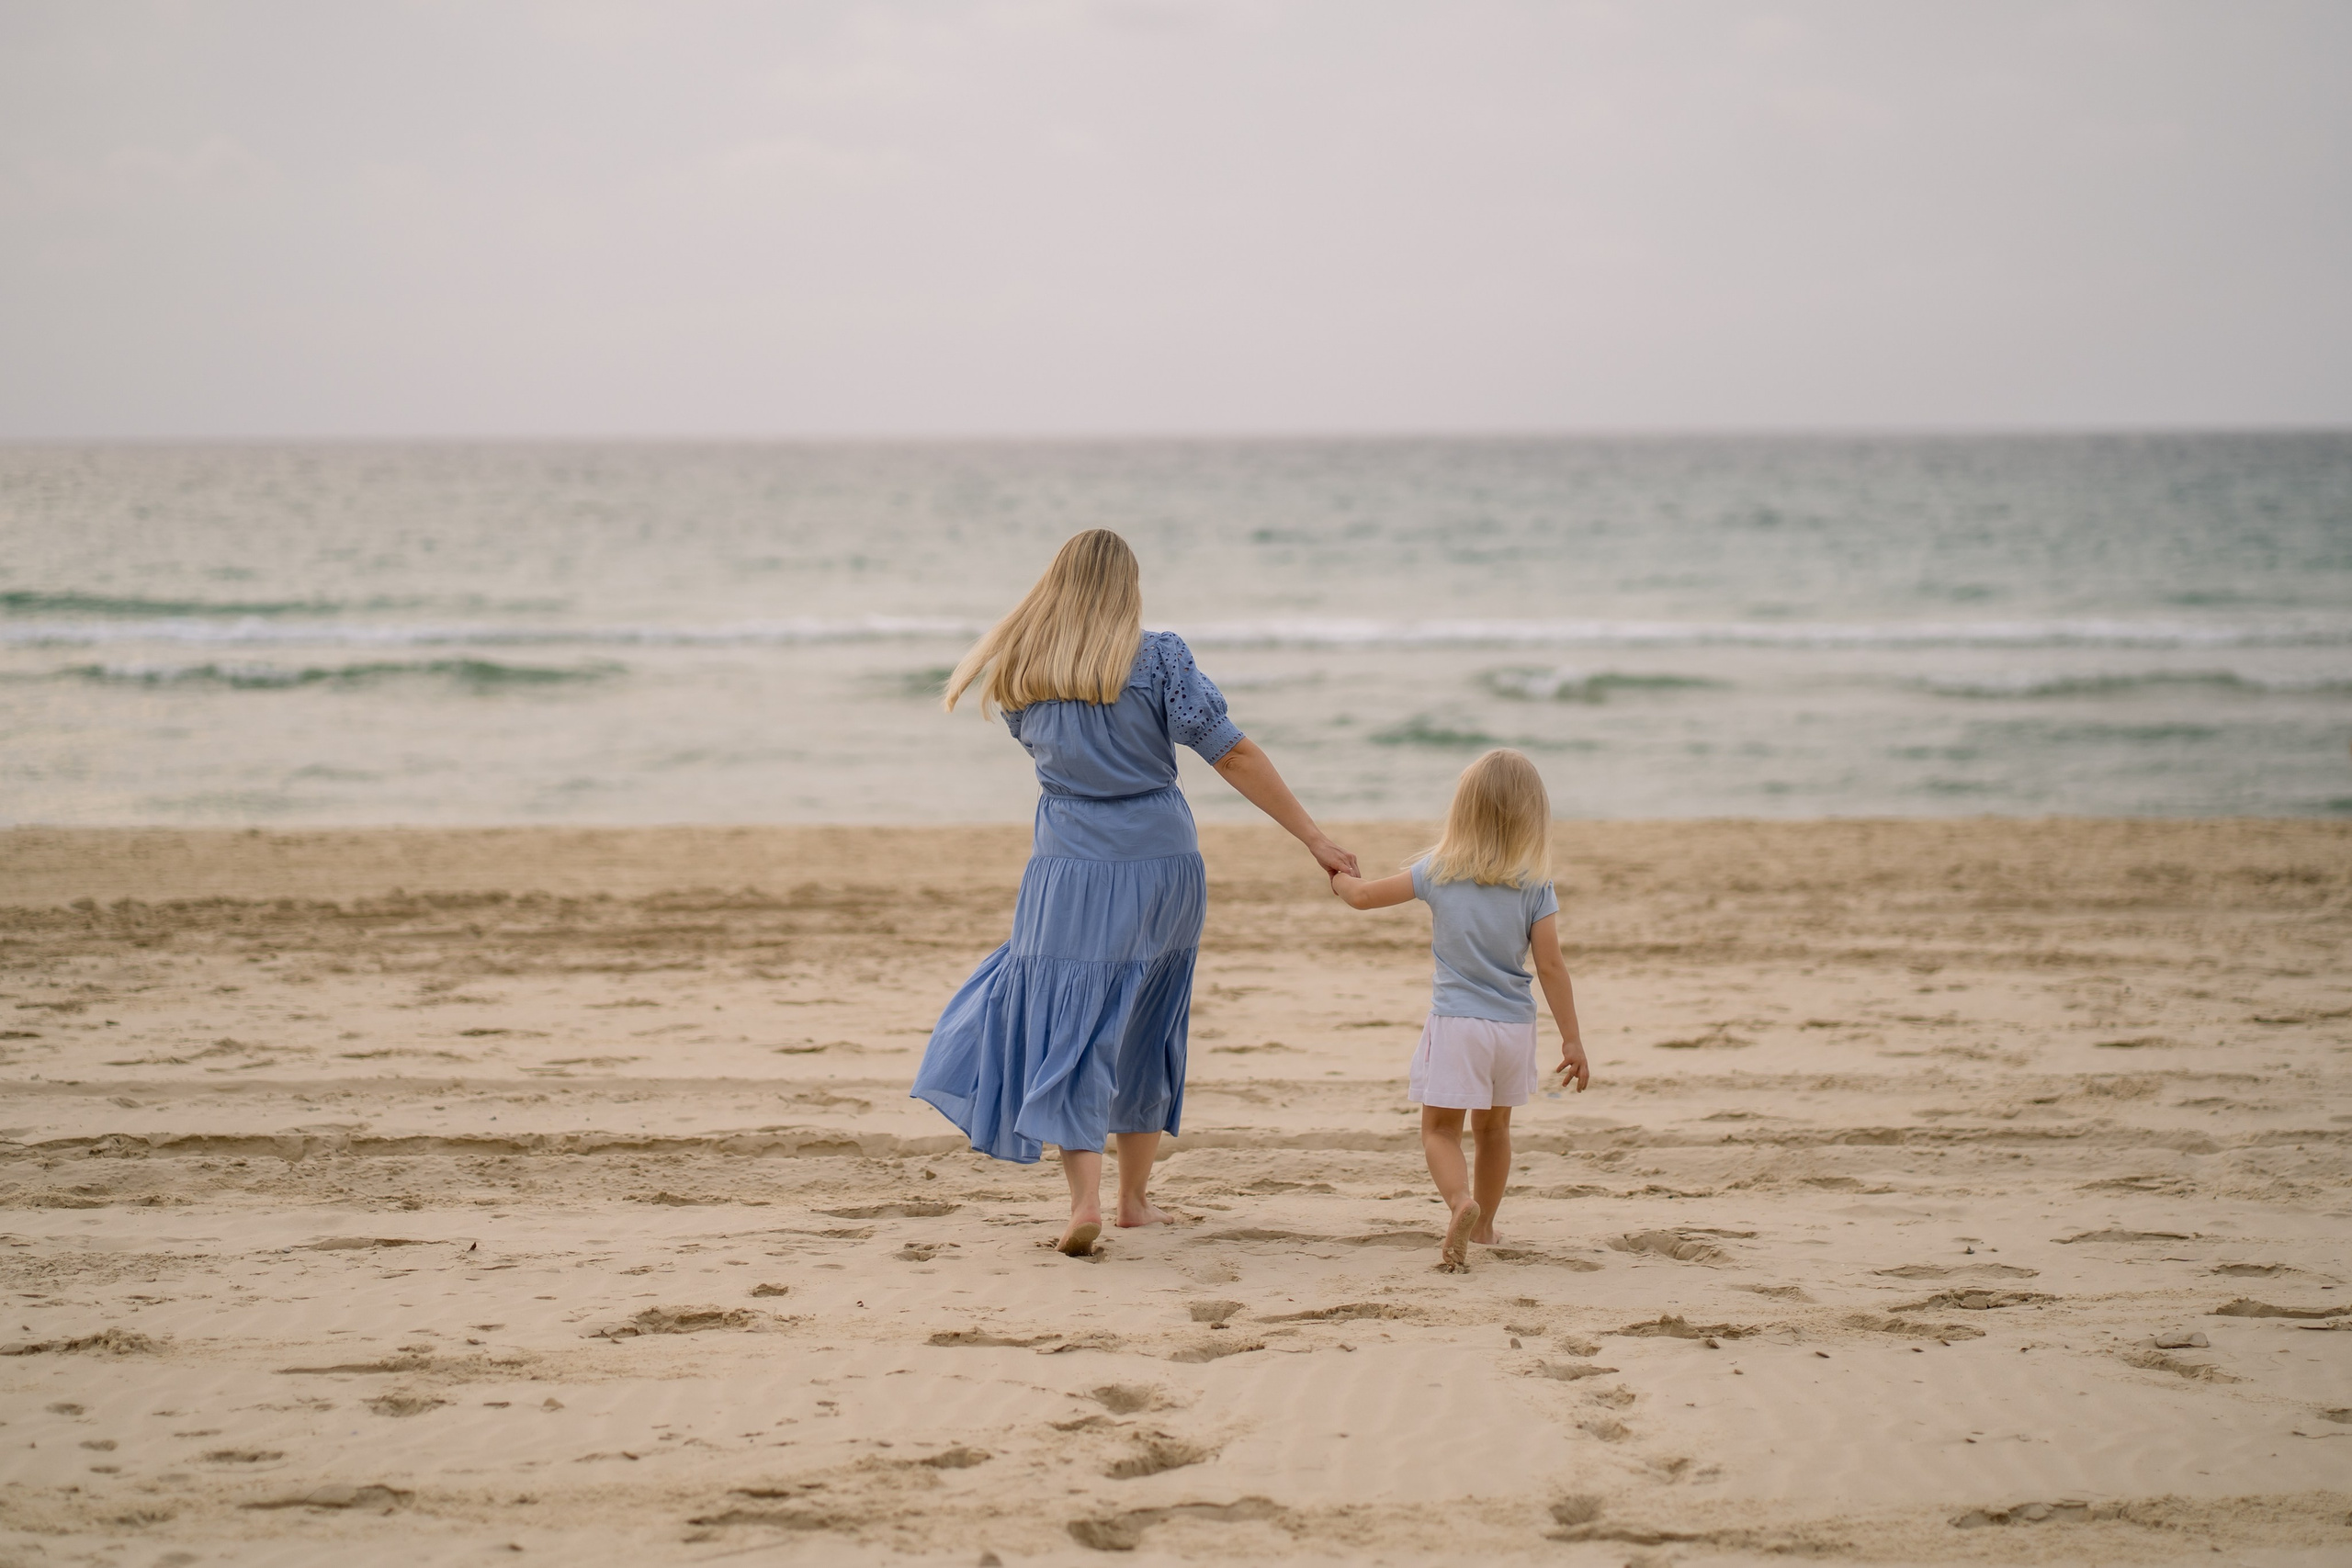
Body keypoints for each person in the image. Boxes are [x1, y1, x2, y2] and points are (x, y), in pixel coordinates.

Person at [910, 529, 1358, 1256]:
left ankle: (1084, 1199)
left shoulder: (1025, 663)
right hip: (1162, 861)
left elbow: (1047, 748)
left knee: (1070, 1024)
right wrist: (1313, 837)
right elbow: (1232, 752)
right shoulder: (1160, 659)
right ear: (1127, 587)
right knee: (1146, 1020)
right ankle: (1133, 1201)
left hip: (1069, 866)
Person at [1328, 748, 1589, 1271]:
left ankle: (1459, 1203)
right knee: (1495, 1132)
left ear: (1463, 809)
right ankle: (1487, 1223)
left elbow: (1362, 898)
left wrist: (1337, 873)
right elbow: (1552, 966)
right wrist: (1572, 1039)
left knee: (1440, 1131)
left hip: (1457, 1026)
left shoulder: (1439, 872)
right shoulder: (1535, 886)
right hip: (1513, 1029)